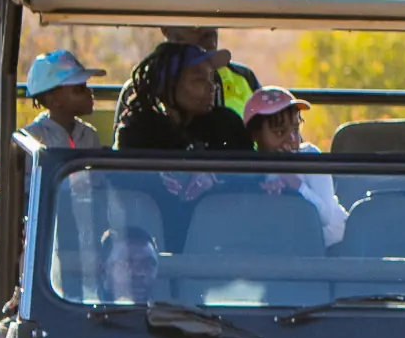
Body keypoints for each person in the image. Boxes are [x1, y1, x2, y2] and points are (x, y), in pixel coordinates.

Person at [244, 87, 348, 246]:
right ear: (255, 135)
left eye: (295, 129)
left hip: (338, 245)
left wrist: (297, 186)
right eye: (279, 132)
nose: (292, 139)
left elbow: (325, 216)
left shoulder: (310, 157)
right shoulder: (251, 170)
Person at [113, 41, 250, 150]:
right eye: (199, 79)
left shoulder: (227, 126)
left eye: (211, 79)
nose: (211, 87)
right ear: (169, 84)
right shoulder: (137, 132)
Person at [161, 25, 262, 114]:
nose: (209, 30)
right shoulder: (157, 80)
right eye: (195, 26)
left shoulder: (244, 77)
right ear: (166, 29)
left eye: (214, 23)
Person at [22, 49, 105, 149]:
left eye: (85, 86)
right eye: (79, 89)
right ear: (53, 100)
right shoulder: (32, 138)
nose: (89, 92)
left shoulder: (89, 135)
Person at [98, 226, 160, 304]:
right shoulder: (85, 310)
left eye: (148, 264)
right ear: (103, 270)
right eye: (127, 263)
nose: (140, 273)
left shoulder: (167, 311)